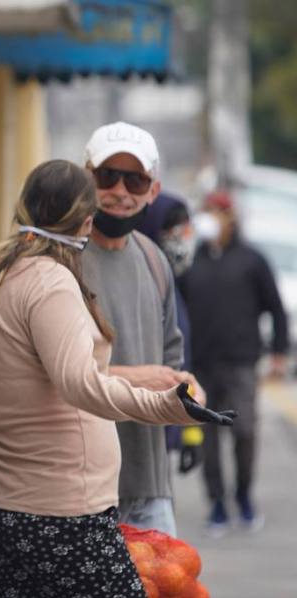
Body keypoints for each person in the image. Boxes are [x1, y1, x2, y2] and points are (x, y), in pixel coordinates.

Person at [0, 159, 233, 598]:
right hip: (59, 514)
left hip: (1, 505)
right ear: (86, 221)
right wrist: (168, 406)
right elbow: (80, 386)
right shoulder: (50, 282)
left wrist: (143, 378)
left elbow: (34, 374)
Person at [81, 121, 193, 536]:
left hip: (150, 490)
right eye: (108, 176)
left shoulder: (154, 260)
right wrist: (141, 380)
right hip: (78, 492)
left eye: (136, 179)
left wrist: (188, 396)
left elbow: (171, 362)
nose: (121, 192)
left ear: (153, 190)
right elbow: (45, 377)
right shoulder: (58, 259)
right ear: (85, 178)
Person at [183, 189, 289, 534]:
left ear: (231, 217)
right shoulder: (190, 263)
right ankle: (216, 502)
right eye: (207, 210)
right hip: (201, 364)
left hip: (242, 362)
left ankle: (243, 495)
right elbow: (176, 315)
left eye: (217, 212)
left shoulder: (252, 260)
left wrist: (278, 352)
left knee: (244, 431)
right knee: (207, 436)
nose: (211, 218)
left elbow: (275, 307)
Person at [137, 192, 204, 474]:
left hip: (162, 432)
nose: (180, 240)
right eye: (172, 232)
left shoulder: (173, 285)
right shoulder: (138, 283)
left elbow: (183, 360)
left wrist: (191, 433)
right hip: (134, 435)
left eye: (185, 231)